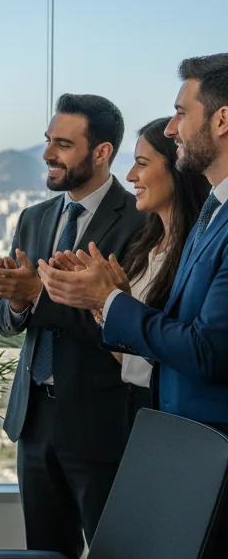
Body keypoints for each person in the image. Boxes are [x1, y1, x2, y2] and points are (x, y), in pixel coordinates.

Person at [38, 56, 228, 559]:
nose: (174, 129)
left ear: (222, 120)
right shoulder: (210, 218)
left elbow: (207, 350)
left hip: (207, 456)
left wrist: (111, 305)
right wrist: (110, 300)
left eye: (183, 111)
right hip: (178, 449)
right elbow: (173, 327)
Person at [0, 93, 144, 559]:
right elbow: (6, 322)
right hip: (35, 418)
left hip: (101, 419)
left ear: (101, 153)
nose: (48, 152)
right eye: (48, 140)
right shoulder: (33, 218)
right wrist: (19, 299)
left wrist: (39, 296)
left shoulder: (138, 221)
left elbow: (124, 323)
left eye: (62, 144)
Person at [52, 118, 208, 415]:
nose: (131, 175)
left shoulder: (197, 253)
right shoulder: (145, 248)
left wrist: (111, 300)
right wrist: (102, 305)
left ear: (178, 168)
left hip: (177, 413)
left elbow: (187, 350)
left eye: (142, 163)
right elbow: (130, 357)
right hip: (134, 408)